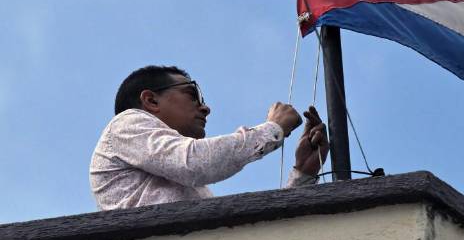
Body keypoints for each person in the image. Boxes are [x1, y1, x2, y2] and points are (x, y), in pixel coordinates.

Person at [90, 65, 329, 210]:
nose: (205, 108)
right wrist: (271, 129)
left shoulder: (182, 183)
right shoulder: (126, 124)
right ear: (151, 101)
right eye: (192, 94)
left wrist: (302, 175)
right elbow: (194, 163)